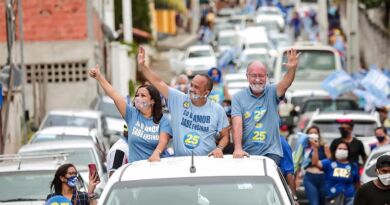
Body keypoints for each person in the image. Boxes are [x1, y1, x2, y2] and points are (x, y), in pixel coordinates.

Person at [137, 47, 230, 157]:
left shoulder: (217, 109)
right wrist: (143, 66)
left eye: (196, 87)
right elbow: (158, 82)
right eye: (191, 85)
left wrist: (219, 149)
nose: (191, 89)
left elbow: (225, 136)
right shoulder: (178, 99)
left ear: (206, 93)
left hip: (207, 162)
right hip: (180, 163)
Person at [231, 48, 300, 165]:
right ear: (247, 76)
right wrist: (238, 148)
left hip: (271, 152)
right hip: (247, 152)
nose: (257, 80)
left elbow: (286, 83)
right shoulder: (238, 97)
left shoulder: (272, 91)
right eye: (253, 76)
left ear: (267, 76)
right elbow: (237, 124)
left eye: (261, 76)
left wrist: (292, 68)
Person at [89, 66, 172, 163]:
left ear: (152, 101)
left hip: (158, 165)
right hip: (136, 169)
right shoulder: (131, 114)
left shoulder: (163, 120)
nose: (138, 98)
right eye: (137, 95)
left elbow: (163, 141)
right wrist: (99, 77)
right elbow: (114, 95)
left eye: (143, 96)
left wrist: (156, 153)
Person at [312, 141, 360, 205]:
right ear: (335, 150)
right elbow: (315, 163)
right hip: (333, 198)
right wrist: (315, 149)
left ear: (348, 151)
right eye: (340, 149)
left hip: (349, 198)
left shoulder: (353, 165)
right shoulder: (329, 163)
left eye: (345, 149)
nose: (342, 151)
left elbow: (357, 182)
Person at [302, 126, 331, 205]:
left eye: (315, 133)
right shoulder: (305, 147)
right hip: (309, 177)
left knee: (323, 202)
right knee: (314, 202)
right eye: (311, 133)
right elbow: (300, 163)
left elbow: (330, 161)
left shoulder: (324, 146)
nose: (313, 134)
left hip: (322, 177)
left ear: (319, 134)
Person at [280, 135, 297, 201]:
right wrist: (294, 197)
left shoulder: (282, 144)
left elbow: (289, 173)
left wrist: (294, 196)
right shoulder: (283, 143)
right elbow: (289, 172)